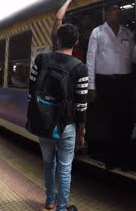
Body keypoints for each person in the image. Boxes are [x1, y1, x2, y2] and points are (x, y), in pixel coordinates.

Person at [29, 24, 88, 211]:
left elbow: (31, 91)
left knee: (48, 163)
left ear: (58, 39)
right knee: (64, 167)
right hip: (67, 125)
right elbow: (81, 104)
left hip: (43, 121)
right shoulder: (80, 68)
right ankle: (62, 207)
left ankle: (49, 200)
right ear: (77, 42)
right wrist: (81, 130)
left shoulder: (41, 59)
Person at [86, 1, 136, 171]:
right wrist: (91, 86)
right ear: (107, 14)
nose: (118, 13)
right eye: (114, 10)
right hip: (104, 82)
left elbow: (134, 56)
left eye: (119, 10)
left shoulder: (127, 33)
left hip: (125, 81)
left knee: (125, 119)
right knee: (108, 121)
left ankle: (124, 158)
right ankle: (110, 158)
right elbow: (90, 60)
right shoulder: (97, 32)